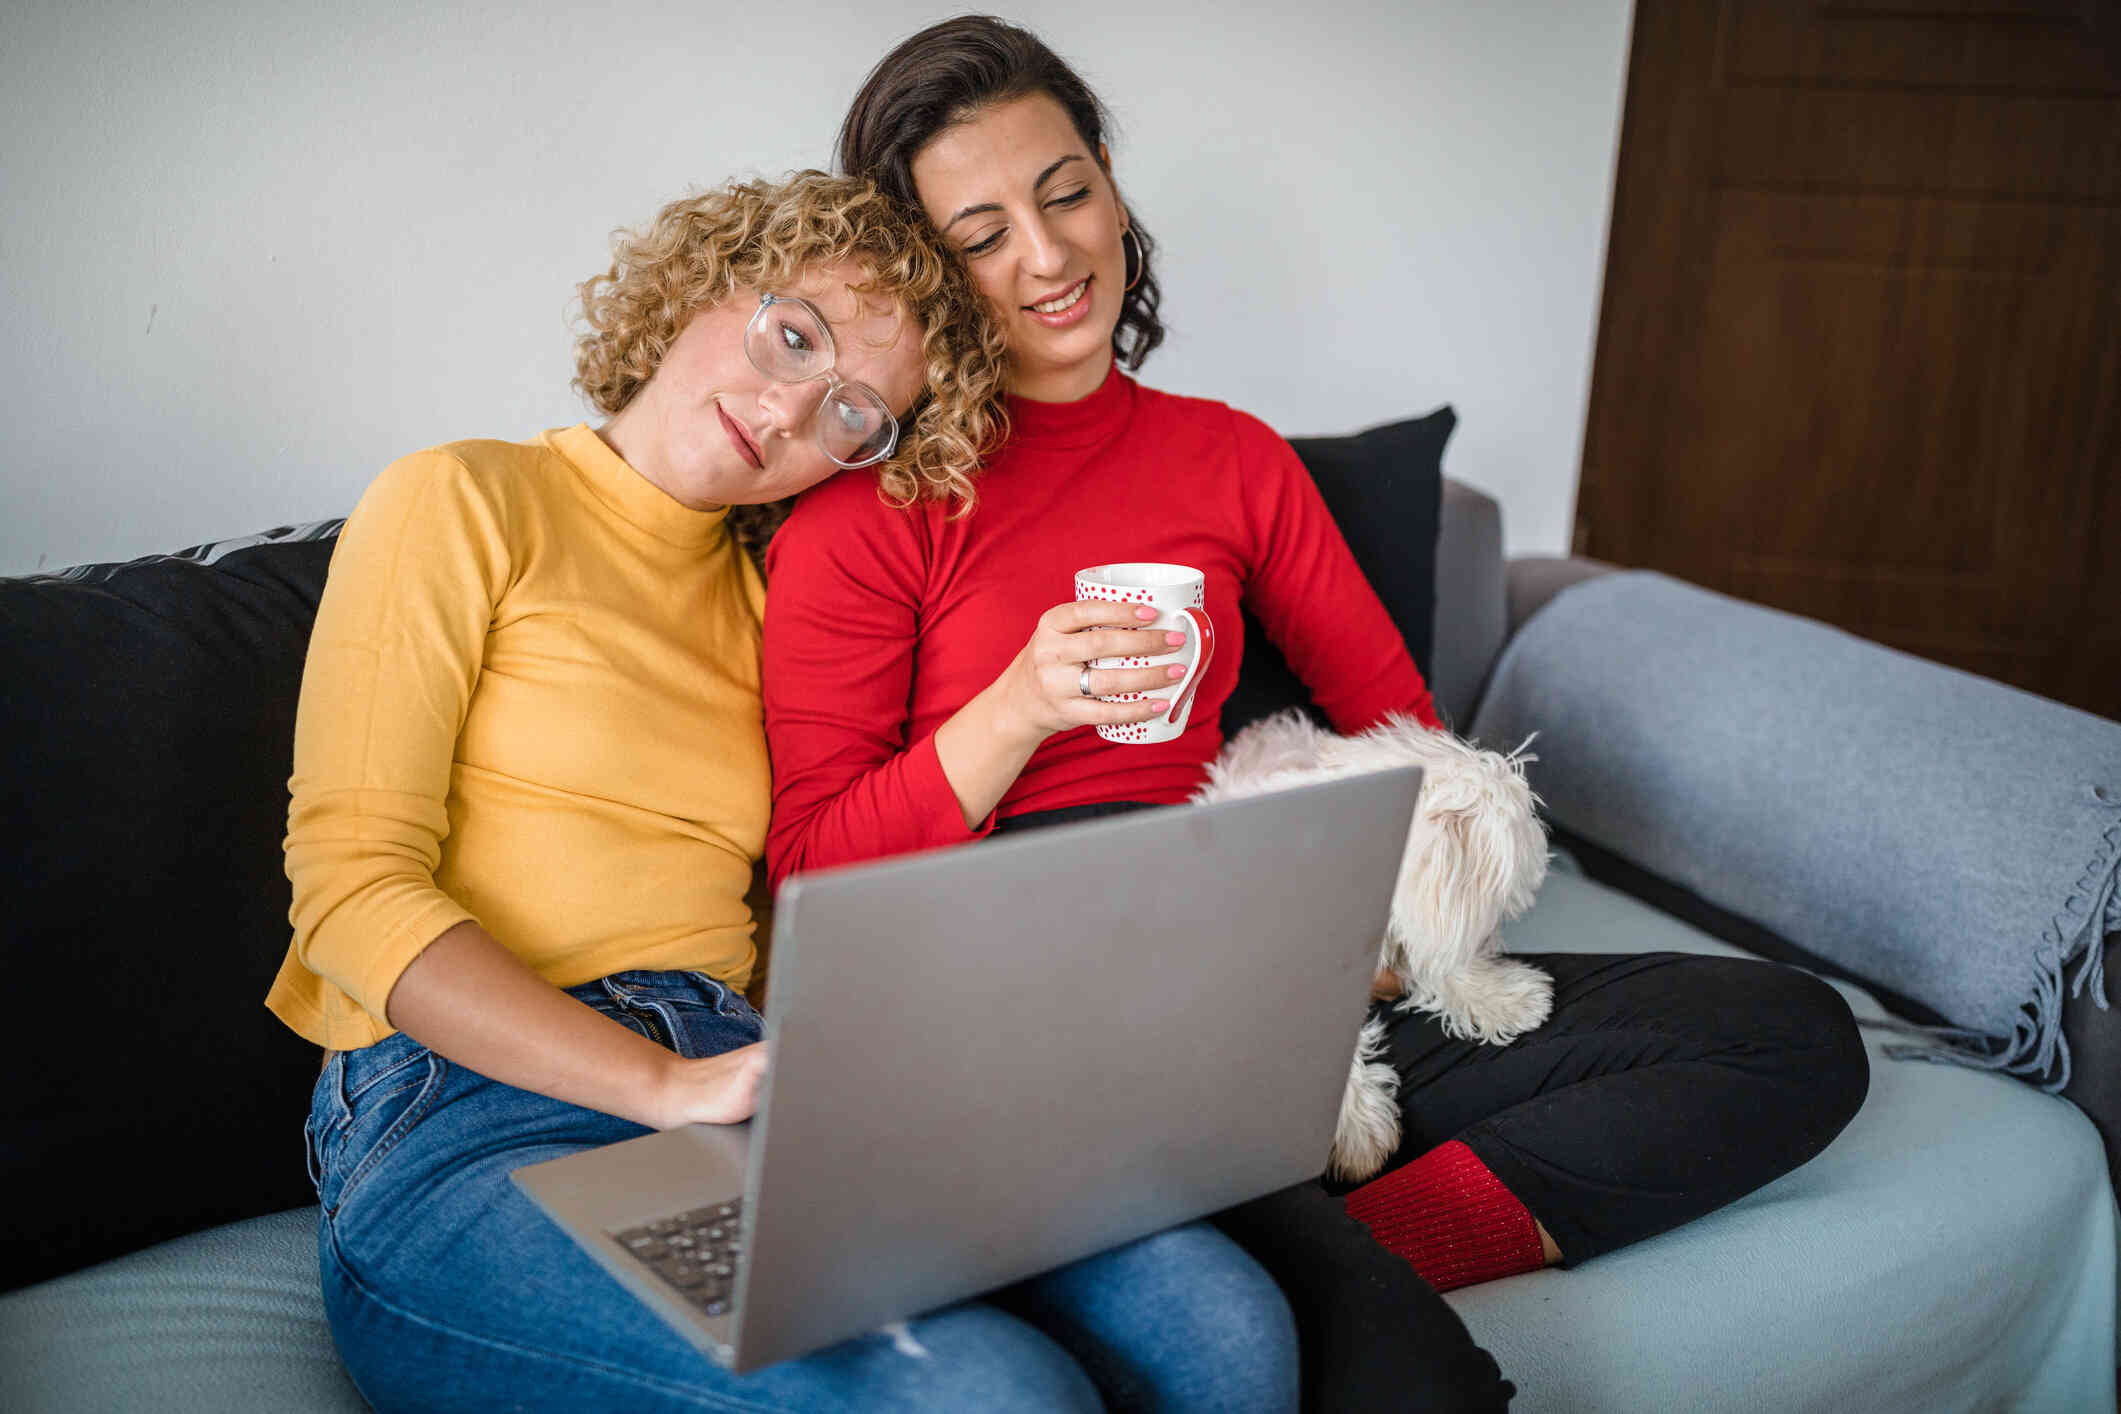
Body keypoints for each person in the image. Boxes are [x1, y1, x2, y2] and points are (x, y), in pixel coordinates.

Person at [760, 18, 1872, 1412]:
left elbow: (1398, 726)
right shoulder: (866, 517)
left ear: (1108, 181)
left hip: (1263, 973)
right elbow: (810, 871)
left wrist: (1365, 940)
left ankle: (1342, 1245)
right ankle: (1299, 1269)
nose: (1047, 258)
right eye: (982, 233)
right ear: (927, 270)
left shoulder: (1230, 458)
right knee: (1409, 1383)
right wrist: (1016, 708)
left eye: (1064, 193)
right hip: (1038, 1011)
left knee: (1787, 1032)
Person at [268, 170, 1301, 1414]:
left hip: (751, 1078)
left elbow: (837, 873)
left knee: (1222, 1321)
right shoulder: (467, 499)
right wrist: (661, 1084)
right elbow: (351, 893)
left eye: (853, 411)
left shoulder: (780, 607)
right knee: (983, 1392)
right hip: (475, 1111)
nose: (793, 407)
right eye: (793, 336)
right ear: (703, 285)